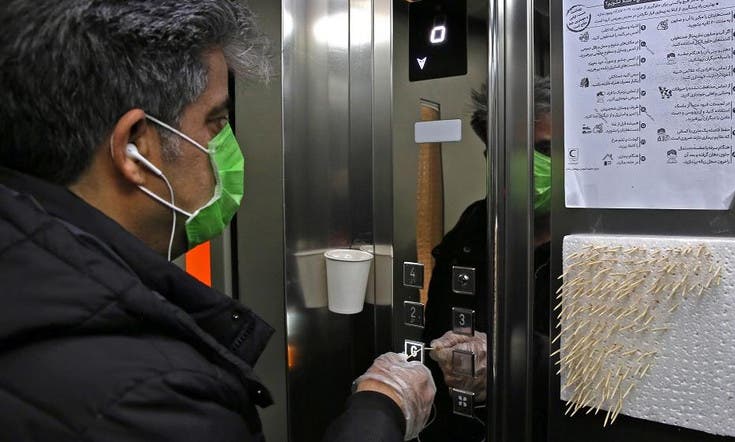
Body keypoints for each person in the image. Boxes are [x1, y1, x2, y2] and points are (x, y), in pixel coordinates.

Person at [0, 1, 433, 441]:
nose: (227, 145)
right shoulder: (156, 396)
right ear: (135, 147)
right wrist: (382, 407)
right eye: (216, 121)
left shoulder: (29, 272)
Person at [419, 78, 552, 442]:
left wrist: (514, 362)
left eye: (545, 150)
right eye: (509, 151)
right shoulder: (473, 227)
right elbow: (436, 330)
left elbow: (615, 371)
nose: (527, 167)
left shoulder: (599, 246)